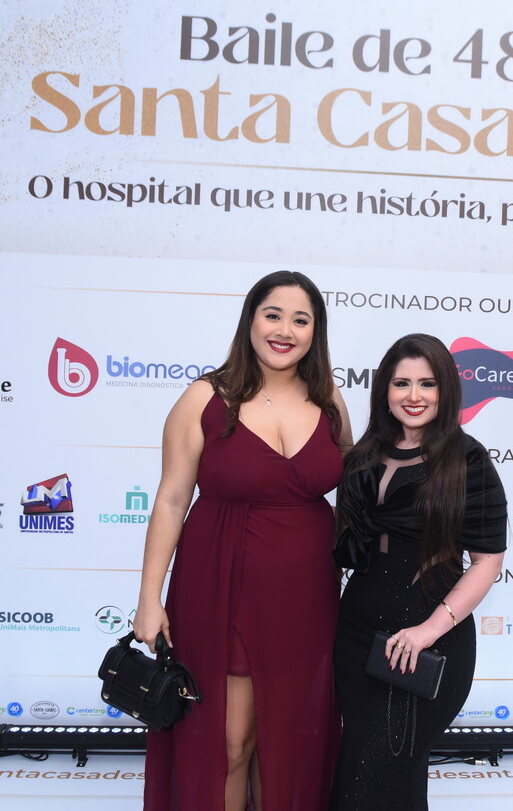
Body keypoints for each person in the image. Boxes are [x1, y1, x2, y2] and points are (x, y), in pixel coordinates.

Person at [135, 270, 351, 811]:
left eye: (300, 320)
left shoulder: (329, 401)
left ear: (316, 332)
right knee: (229, 744)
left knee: (289, 741)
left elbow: (355, 492)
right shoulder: (204, 398)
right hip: (222, 586)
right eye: (272, 315)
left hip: (307, 599)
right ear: (250, 320)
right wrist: (148, 599)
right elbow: (171, 499)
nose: (285, 330)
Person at [331, 333, 507, 810]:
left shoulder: (468, 460)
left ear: (446, 390)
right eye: (401, 383)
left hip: (427, 644)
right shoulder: (364, 454)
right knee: (358, 770)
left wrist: (427, 630)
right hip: (355, 636)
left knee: (383, 769)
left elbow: (487, 561)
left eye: (427, 384)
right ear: (384, 390)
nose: (414, 395)